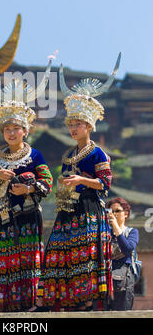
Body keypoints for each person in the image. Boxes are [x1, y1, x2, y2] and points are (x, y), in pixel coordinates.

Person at [39, 55, 121, 311]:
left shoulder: (99, 154)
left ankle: (86, 298)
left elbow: (105, 184)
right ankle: (68, 297)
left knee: (85, 253)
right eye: (71, 124)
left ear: (89, 126)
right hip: (67, 210)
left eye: (78, 125)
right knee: (63, 252)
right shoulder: (68, 155)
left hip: (88, 209)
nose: (73, 129)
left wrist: (82, 180)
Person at [0, 59, 53, 312]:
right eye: (7, 129)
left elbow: (47, 183)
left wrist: (29, 189)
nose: (11, 133)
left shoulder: (36, 156)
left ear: (25, 131)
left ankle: (29, 307)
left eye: (16, 129)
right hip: (1, 219)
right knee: (3, 262)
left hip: (28, 218)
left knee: (28, 262)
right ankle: (3, 307)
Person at [106, 197, 139, 311]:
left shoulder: (132, 232)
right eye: (111, 211)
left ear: (126, 214)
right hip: (106, 278)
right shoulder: (105, 233)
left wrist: (115, 226)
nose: (114, 214)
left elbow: (127, 248)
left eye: (117, 211)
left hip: (123, 280)